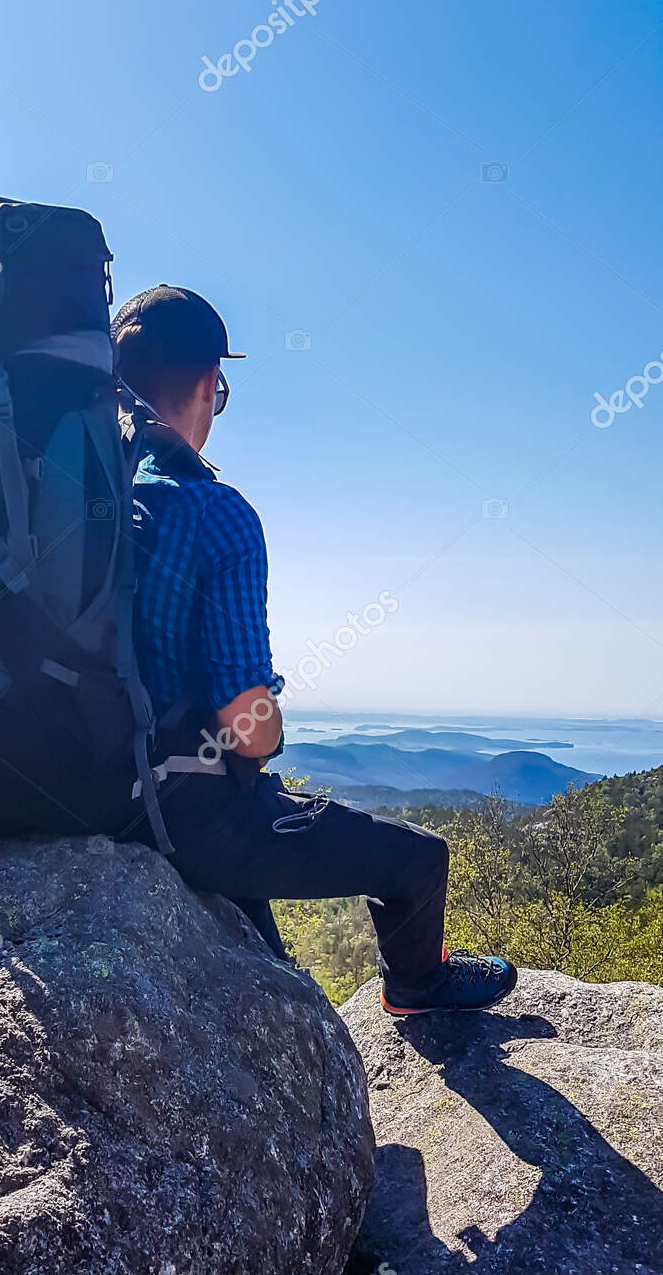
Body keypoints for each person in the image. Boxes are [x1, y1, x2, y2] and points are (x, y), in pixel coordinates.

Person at [113, 284, 517, 1015]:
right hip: (184, 815)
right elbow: (249, 729)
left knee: (270, 959)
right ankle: (417, 986)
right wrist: (266, 728)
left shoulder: (77, 500)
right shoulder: (214, 512)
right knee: (420, 859)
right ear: (209, 383)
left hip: (77, 793)